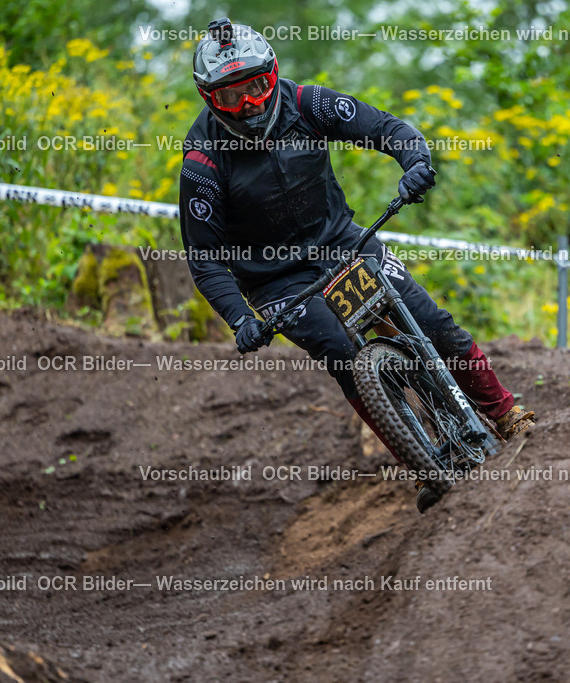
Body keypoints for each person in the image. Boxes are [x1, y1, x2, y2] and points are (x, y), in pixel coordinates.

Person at [178, 18, 535, 512]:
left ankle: (507, 413)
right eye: (232, 97)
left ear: (273, 73)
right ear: (209, 98)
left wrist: (414, 160)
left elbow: (384, 127)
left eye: (257, 86)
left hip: (343, 243)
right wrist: (240, 318)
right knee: (345, 355)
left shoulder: (307, 103)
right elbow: (204, 257)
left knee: (432, 322)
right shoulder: (204, 162)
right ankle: (422, 465)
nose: (251, 104)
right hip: (277, 281)